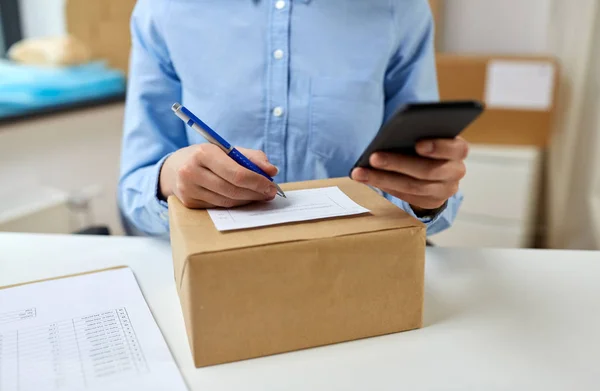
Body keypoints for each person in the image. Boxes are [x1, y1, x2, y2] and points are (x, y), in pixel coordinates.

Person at [118, 0, 468, 237]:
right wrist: (170, 179)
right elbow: (134, 189)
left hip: (361, 263)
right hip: (217, 268)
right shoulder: (163, 9)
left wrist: (427, 197)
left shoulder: (400, 8)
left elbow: (421, 180)